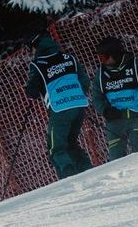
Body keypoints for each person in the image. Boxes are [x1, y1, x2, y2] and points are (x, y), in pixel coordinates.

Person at [27, 32, 97, 178]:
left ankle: (68, 178)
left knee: (55, 148)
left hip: (60, 107)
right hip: (79, 105)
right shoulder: (69, 58)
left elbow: (32, 91)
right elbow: (85, 81)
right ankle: (88, 171)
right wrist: (76, 95)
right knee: (70, 143)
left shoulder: (37, 64)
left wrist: (29, 88)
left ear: (36, 47)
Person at [93, 37, 138, 159]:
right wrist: (105, 110)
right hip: (115, 122)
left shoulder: (135, 65)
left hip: (137, 116)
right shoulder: (101, 74)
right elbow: (96, 97)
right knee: (116, 159)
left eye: (104, 57)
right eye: (99, 58)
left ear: (114, 54)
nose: (102, 61)